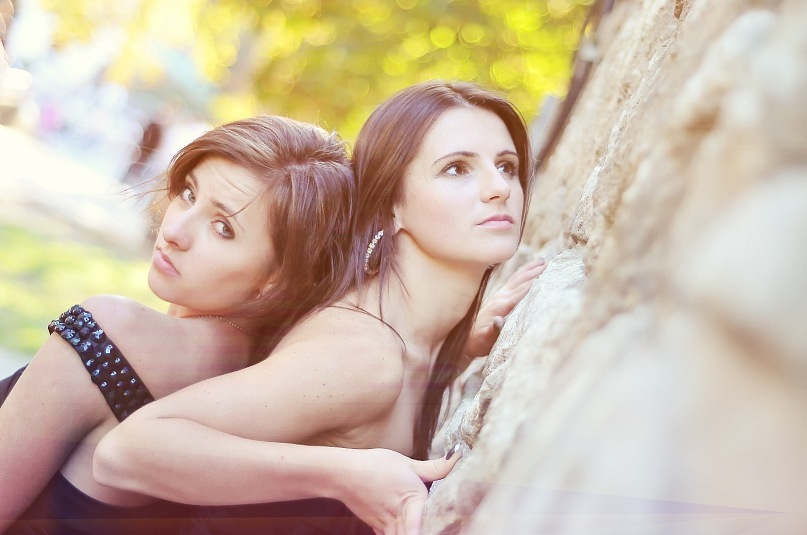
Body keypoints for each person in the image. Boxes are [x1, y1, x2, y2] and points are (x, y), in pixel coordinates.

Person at [93, 80, 538, 535]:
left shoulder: (406, 340)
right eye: (457, 169)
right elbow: (123, 452)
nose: (499, 188)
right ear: (391, 203)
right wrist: (345, 475)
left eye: (507, 166)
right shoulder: (362, 355)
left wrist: (459, 350)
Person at [0, 115, 360, 534]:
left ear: (278, 278)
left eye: (223, 228)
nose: (174, 230)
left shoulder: (117, 333)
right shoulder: (269, 397)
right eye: (190, 194)